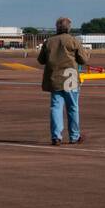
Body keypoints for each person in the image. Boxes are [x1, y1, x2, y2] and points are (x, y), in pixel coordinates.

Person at [37, 17, 88, 146]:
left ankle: (56, 136)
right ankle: (74, 136)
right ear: (69, 28)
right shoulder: (73, 41)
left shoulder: (49, 42)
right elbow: (83, 60)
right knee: (72, 107)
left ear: (57, 27)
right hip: (70, 78)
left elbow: (41, 60)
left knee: (56, 107)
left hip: (55, 78)